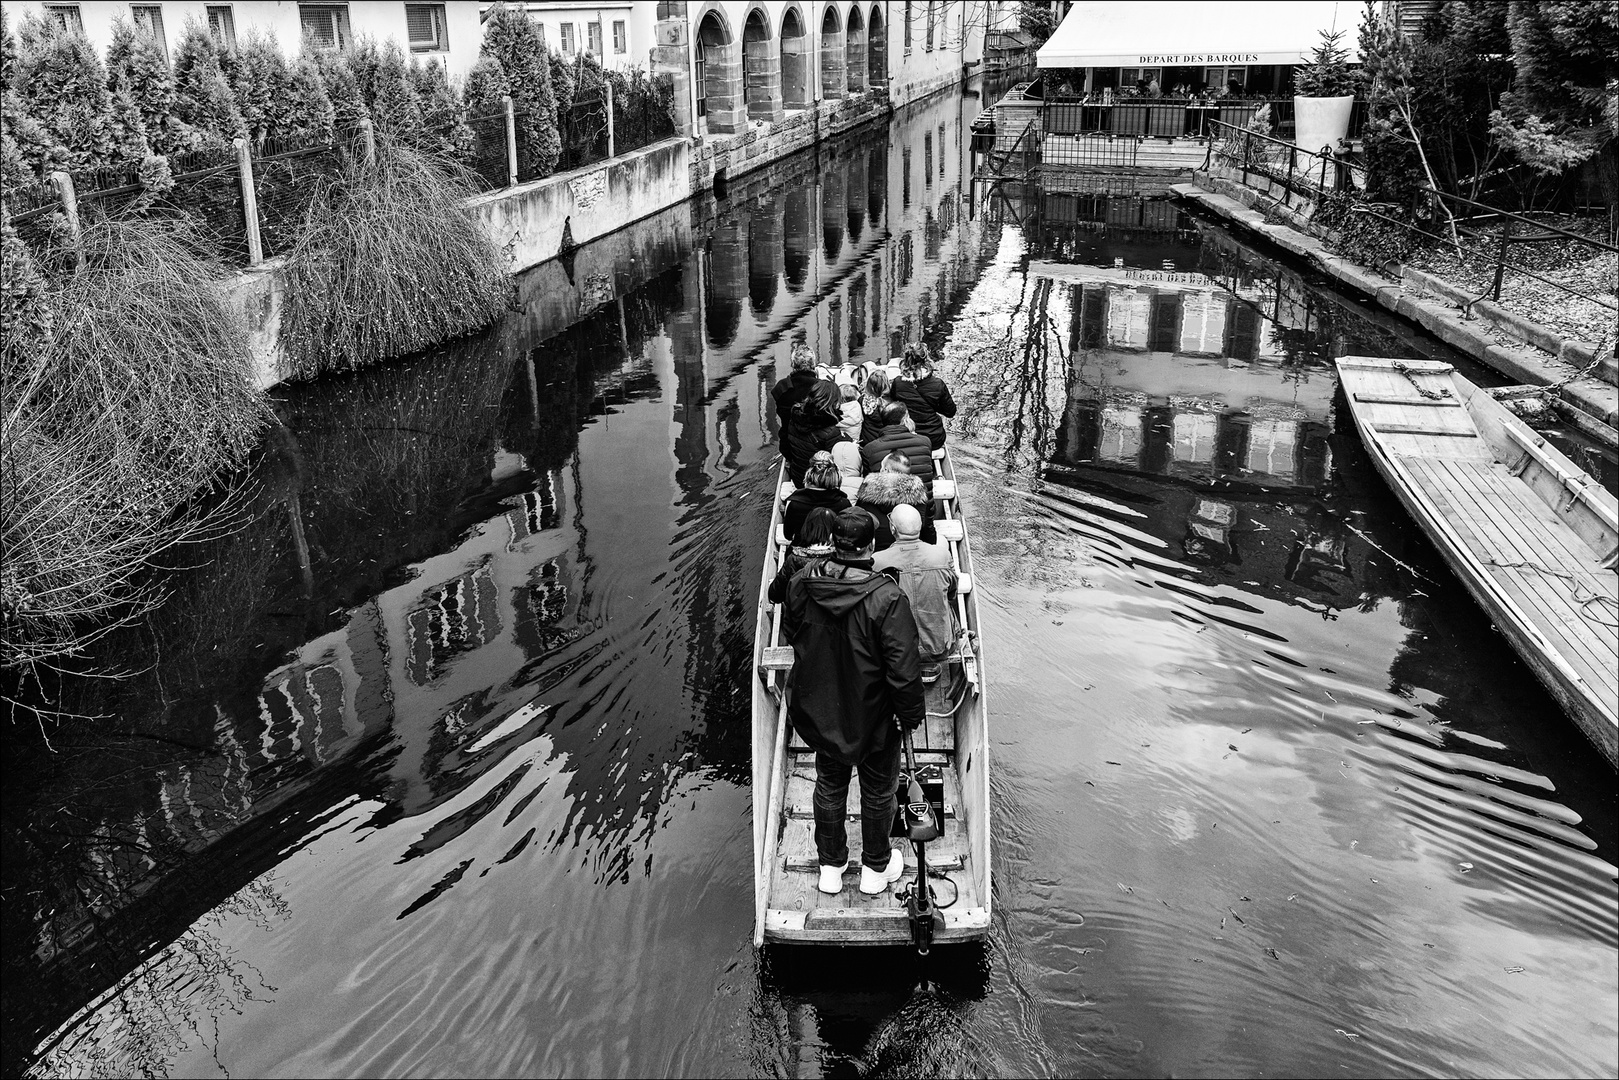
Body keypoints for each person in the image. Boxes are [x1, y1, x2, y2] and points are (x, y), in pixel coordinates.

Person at [783, 507, 926, 896]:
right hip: (874, 716)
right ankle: (876, 869)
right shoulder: (888, 599)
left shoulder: (800, 583)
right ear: (871, 546)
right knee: (879, 791)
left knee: (829, 784)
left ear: (835, 544)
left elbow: (792, 635)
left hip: (822, 709)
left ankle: (831, 866)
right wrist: (910, 716)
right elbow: (903, 670)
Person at [873, 504, 958, 683]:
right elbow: (952, 594)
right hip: (938, 649)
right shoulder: (942, 556)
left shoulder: (876, 562)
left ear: (893, 528)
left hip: (895, 653)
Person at [856, 452, 936, 550]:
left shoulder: (866, 490)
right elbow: (930, 537)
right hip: (912, 551)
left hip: (874, 552)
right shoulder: (921, 494)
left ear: (885, 470)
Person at [890, 342, 957, 451]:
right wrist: (934, 405)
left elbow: (894, 406)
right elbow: (950, 412)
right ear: (926, 359)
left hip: (908, 437)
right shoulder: (938, 384)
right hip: (934, 439)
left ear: (906, 360)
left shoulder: (898, 383)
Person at [785, 379, 850, 484]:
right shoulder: (831, 432)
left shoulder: (795, 416)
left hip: (797, 476)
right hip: (816, 482)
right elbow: (836, 460)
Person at [771, 343, 830, 457]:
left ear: (793, 364)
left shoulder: (781, 388)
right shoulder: (822, 388)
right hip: (818, 447)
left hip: (789, 446)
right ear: (813, 365)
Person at [768, 506, 837, 603]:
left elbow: (775, 595)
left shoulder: (793, 559)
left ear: (806, 529)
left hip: (801, 613)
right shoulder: (841, 558)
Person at [860, 402, 936, 483]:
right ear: (905, 420)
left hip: (887, 494)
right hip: (923, 494)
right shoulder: (925, 441)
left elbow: (867, 478)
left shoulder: (868, 449)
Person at [783, 456, 851, 541]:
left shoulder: (795, 505)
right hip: (834, 550)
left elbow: (788, 535)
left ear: (808, 478)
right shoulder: (844, 504)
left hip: (801, 547)